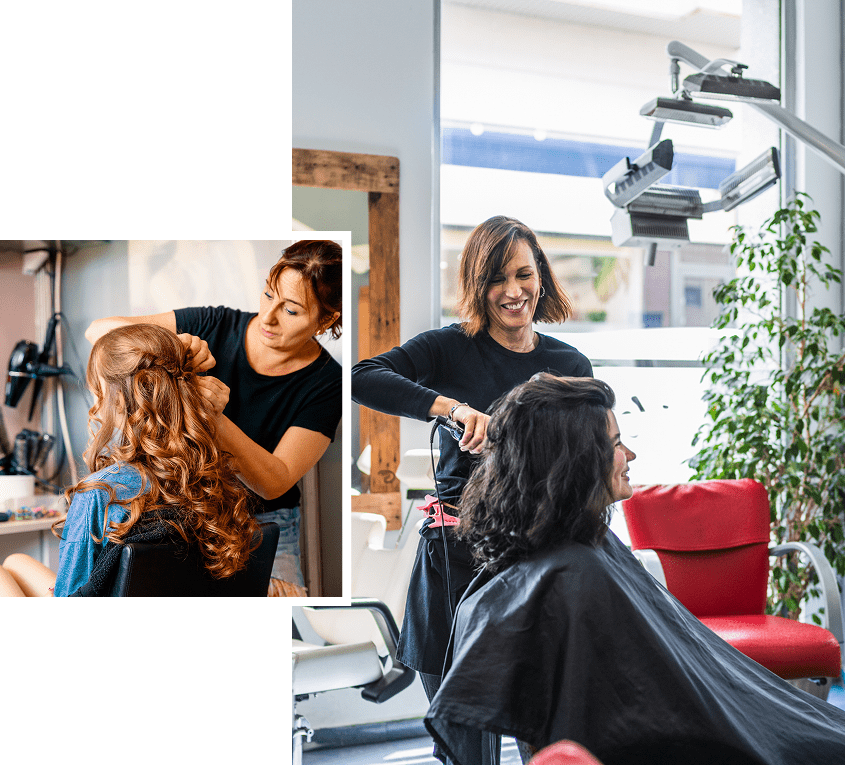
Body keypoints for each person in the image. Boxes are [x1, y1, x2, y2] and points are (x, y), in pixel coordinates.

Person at [424, 375, 845, 765]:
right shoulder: (573, 572)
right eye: (616, 443)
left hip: (741, 716)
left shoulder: (577, 550)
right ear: (575, 462)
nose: (630, 455)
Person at [352, 216, 592, 702]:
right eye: (496, 279)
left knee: (546, 726)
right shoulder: (450, 347)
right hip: (457, 559)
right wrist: (453, 409)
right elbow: (361, 376)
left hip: (539, 560)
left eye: (523, 274)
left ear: (540, 274)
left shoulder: (571, 367)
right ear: (477, 285)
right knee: (461, 734)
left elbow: (583, 466)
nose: (513, 291)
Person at [85, 240, 342, 596]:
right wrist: (177, 343)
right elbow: (98, 332)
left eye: (292, 311)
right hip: (189, 516)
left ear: (327, 319)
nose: (268, 317)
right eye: (269, 296)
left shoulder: (328, 383)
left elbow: (274, 481)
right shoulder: (216, 322)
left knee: (290, 624)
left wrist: (216, 421)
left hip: (265, 525)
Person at [0, 324, 260, 597]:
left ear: (117, 401)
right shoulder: (209, 478)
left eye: (97, 390)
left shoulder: (99, 492)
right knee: (16, 562)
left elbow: (69, 599)